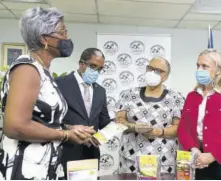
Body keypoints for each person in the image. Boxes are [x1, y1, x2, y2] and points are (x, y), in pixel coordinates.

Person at [0, 7, 95, 180]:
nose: (67, 38)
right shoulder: (27, 69)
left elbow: (40, 119)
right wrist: (65, 135)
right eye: (63, 32)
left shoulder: (43, 71)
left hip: (43, 166)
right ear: (44, 38)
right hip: (24, 169)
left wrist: (69, 128)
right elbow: (15, 126)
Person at [177, 49, 221, 179]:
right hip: (196, 160)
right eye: (198, 65)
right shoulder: (192, 96)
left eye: (205, 66)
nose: (199, 69)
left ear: (219, 70)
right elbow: (183, 128)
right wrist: (193, 149)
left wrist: (212, 156)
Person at [115, 57, 185, 174]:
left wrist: (157, 132)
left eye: (158, 71)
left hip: (163, 161)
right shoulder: (129, 94)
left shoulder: (176, 98)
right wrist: (133, 127)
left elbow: (179, 128)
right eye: (150, 68)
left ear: (166, 76)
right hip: (130, 160)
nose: (153, 73)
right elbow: (119, 120)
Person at [55, 48, 111, 178]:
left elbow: (104, 122)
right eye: (93, 66)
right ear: (81, 64)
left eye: (100, 69)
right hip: (65, 152)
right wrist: (69, 128)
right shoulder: (60, 84)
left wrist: (119, 124)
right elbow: (51, 120)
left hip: (91, 155)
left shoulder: (100, 91)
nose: (96, 72)